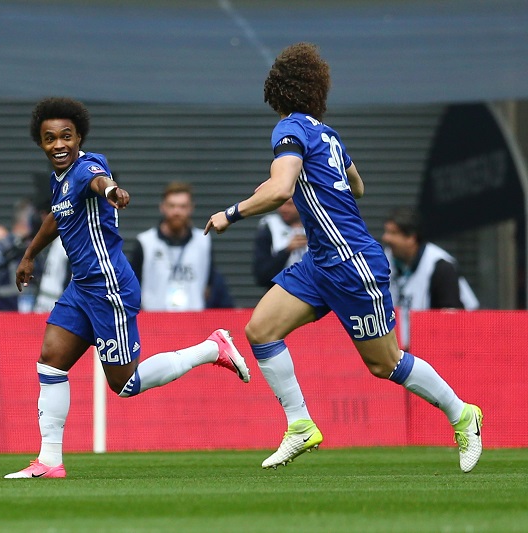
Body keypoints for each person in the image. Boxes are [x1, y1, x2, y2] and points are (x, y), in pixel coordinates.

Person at [205, 42, 482, 473]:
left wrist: (231, 213)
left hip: (353, 264)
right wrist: (305, 185)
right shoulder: (328, 135)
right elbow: (357, 186)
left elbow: (281, 189)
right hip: (321, 262)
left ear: (276, 91)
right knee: (260, 330)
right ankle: (300, 426)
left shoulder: (288, 129)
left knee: (385, 363)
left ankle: (462, 414)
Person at [4, 97, 250, 479]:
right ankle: (49, 461)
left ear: (79, 137)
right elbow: (57, 216)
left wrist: (112, 191)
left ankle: (211, 348)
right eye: (50, 138)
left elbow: (100, 182)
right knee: (50, 361)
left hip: (109, 288)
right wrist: (29, 255)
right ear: (40, 143)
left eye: (66, 136)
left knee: (126, 384)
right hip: (81, 288)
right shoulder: (60, 181)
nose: (59, 144)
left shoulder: (87, 167)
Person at [382, 206, 479, 347]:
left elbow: (453, 323)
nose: (386, 238)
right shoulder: (384, 260)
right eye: (386, 232)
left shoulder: (441, 267)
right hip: (397, 350)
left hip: (432, 349)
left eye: (393, 233)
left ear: (411, 238)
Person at [130, 181, 233, 311]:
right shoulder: (145, 242)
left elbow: (211, 284)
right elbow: (132, 287)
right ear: (162, 207)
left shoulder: (203, 241)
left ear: (191, 208)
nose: (177, 212)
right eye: (172, 206)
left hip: (194, 318)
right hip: (154, 318)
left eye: (182, 206)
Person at [253, 198, 308, 289]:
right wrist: (287, 250)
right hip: (280, 290)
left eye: (290, 204)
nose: (283, 209)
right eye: (281, 203)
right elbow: (261, 275)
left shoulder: (318, 226)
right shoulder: (269, 227)